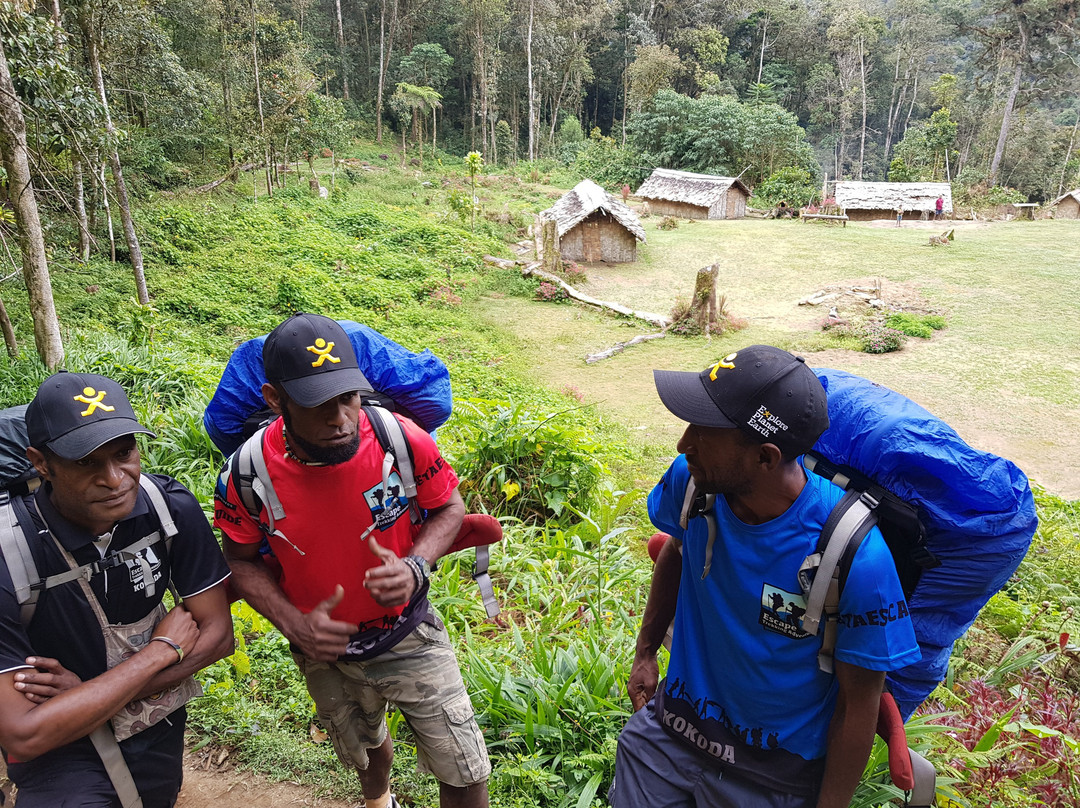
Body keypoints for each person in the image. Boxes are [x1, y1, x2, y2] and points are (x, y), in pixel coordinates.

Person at [609, 346, 920, 808]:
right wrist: (646, 652)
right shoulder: (693, 483)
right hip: (669, 735)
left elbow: (859, 703)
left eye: (705, 432)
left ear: (766, 457)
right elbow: (675, 549)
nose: (683, 444)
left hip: (774, 776)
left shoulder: (853, 556)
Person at [215, 314, 490, 808]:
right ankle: (378, 799)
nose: (340, 417)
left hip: (410, 633)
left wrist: (416, 567)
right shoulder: (247, 474)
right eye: (317, 404)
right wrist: (294, 624)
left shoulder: (398, 439)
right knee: (365, 753)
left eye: (348, 397)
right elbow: (238, 559)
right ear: (275, 400)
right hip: (326, 653)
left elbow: (449, 506)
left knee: (465, 770)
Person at [0, 372, 234, 807]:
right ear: (41, 462)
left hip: (151, 728)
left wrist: (84, 693)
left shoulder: (167, 509)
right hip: (58, 754)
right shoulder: (9, 551)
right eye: (85, 462)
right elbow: (25, 732)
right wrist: (161, 652)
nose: (114, 478)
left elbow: (217, 636)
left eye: (125, 453)